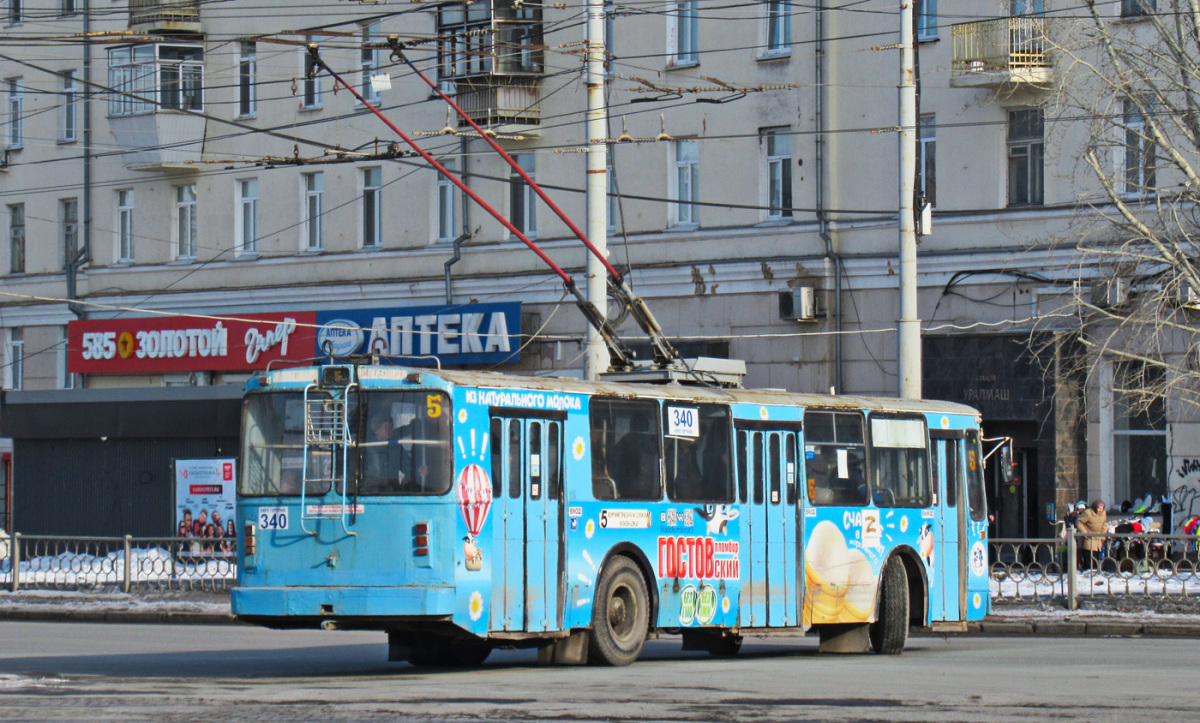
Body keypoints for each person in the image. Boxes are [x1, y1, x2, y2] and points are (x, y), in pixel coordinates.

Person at [1075, 499, 1108, 570]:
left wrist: (1103, 537)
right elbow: (1079, 522)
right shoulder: (1088, 513)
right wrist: (1084, 533)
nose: (1100, 510)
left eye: (1102, 509)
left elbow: (1104, 525)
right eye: (1099, 508)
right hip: (1089, 539)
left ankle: (1094, 573)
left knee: (1096, 560)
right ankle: (1086, 573)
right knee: (1089, 560)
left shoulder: (1103, 514)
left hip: (1098, 540)